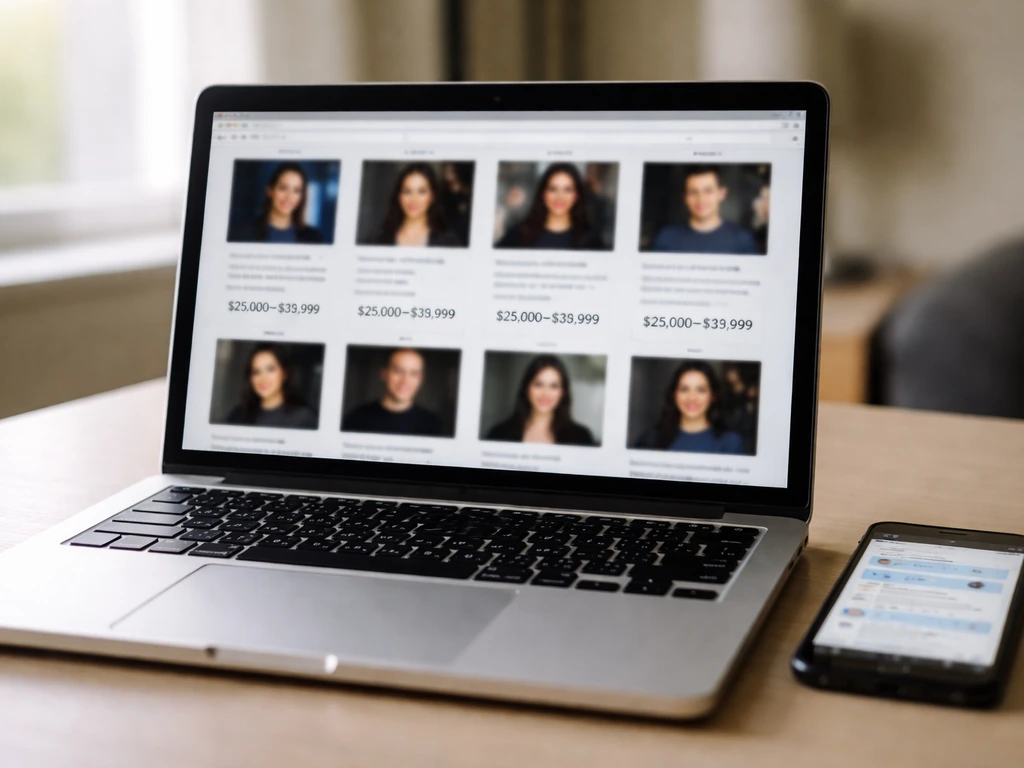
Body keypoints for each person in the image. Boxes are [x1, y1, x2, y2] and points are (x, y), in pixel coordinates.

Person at [634, 361, 744, 454]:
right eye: (684, 389)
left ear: (712, 396)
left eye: (701, 390)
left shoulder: (730, 443)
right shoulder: (650, 440)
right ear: (674, 394)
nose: (692, 398)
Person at [484, 355, 597, 446]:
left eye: (553, 386)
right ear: (526, 388)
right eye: (538, 384)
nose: (545, 394)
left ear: (563, 392)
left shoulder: (582, 437)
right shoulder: (499, 434)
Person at [496, 163, 608, 250]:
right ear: (544, 194)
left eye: (567, 190)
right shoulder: (520, 233)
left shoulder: (591, 239)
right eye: (553, 189)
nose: (560, 197)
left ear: (576, 196)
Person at [650, 165, 758, 255]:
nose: (701, 199)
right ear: (685, 197)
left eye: (708, 191)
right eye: (693, 192)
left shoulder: (742, 240)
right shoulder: (666, 238)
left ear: (722, 194)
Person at [342, 348, 445, 436]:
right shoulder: (356, 420)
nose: (405, 381)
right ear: (384, 374)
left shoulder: (433, 425)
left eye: (413, 373)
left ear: (420, 379)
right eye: (398, 371)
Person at [225, 344, 318, 429]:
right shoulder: (238, 416)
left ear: (284, 373)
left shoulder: (304, 418)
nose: (263, 378)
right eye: (256, 372)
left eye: (270, 369)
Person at [233, 162, 325, 244]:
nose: (289, 197)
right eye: (283, 188)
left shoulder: (314, 238)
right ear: (270, 191)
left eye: (296, 190)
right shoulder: (244, 234)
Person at [371, 163, 461, 247]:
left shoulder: (448, 242)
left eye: (421, 191)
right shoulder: (378, 240)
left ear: (432, 196)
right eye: (407, 191)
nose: (414, 199)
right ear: (399, 196)